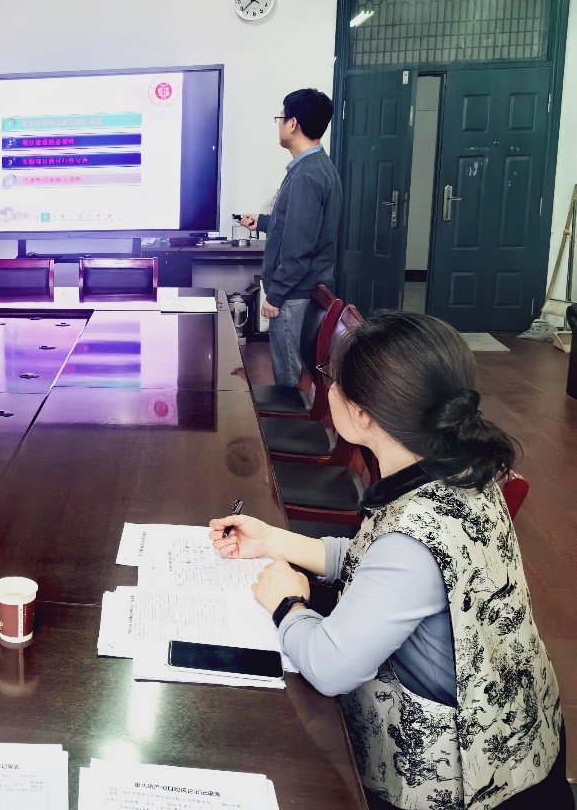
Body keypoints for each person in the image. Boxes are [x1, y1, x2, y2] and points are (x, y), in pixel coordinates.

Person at [210, 312, 569, 810]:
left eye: (334, 382)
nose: (328, 389)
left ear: (363, 416)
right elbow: (377, 569)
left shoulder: (411, 536)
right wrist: (273, 540)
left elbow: (331, 667)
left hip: (463, 783)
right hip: (523, 738)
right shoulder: (461, 471)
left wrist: (286, 605)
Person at [236, 88, 341, 388]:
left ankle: (293, 417)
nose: (279, 125)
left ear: (292, 123)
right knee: (298, 371)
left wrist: (275, 295)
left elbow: (298, 248)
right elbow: (300, 227)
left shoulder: (306, 175)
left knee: (290, 379)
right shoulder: (318, 166)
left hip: (294, 294)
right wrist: (262, 222)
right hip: (304, 289)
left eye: (280, 118)